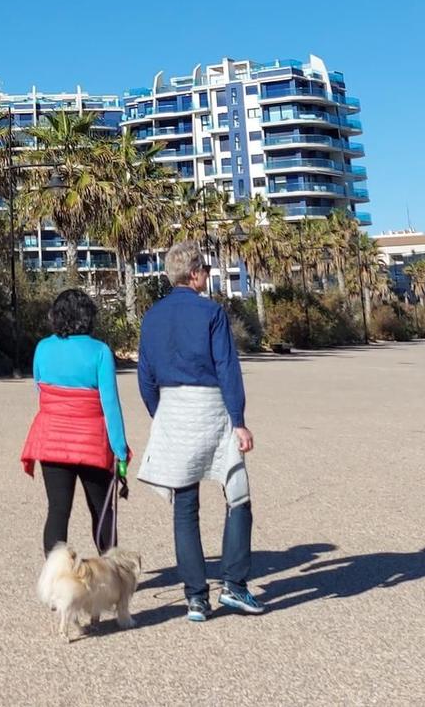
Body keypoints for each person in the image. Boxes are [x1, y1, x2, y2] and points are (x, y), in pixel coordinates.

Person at [136, 244, 263, 623]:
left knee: (185, 505)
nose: (207, 275)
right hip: (209, 405)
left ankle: (196, 598)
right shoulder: (211, 312)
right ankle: (234, 585)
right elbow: (227, 368)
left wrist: (161, 415)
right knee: (236, 494)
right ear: (193, 274)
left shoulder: (152, 316)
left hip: (172, 408)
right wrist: (238, 420)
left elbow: (145, 377)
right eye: (205, 269)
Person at [21, 288, 130, 557]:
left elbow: (40, 389)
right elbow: (110, 405)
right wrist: (121, 450)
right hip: (91, 441)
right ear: (88, 317)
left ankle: (56, 578)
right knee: (102, 509)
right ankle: (110, 573)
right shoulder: (100, 351)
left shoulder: (43, 348)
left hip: (52, 438)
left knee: (58, 510)